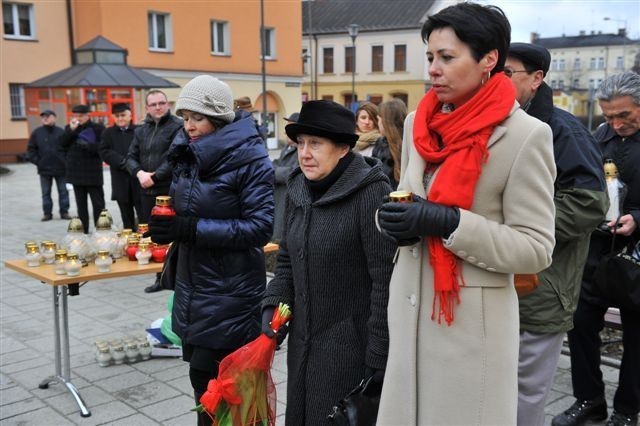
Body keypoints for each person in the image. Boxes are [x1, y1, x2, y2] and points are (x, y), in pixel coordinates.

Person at [376, 3, 556, 425]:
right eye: (430, 57)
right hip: (410, 317)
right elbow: (406, 196)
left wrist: (451, 223)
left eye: (447, 57)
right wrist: (392, 223)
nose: (433, 69)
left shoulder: (527, 135)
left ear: (488, 59)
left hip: (470, 337)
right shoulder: (421, 121)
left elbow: (536, 248)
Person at [146, 75, 274, 426]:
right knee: (203, 388)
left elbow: (260, 228)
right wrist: (166, 225)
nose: (189, 126)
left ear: (218, 118)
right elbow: (189, 208)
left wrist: (190, 228)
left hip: (229, 294)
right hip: (195, 289)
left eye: (197, 118)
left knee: (222, 393)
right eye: (185, 117)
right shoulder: (189, 152)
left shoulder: (249, 159)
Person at [261, 100, 396, 425]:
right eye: (301, 143)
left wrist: (378, 355)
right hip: (303, 347)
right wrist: (272, 313)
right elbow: (288, 265)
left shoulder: (370, 192)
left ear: (342, 148)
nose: (305, 152)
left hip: (350, 352)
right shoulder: (297, 188)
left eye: (315, 144)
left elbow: (386, 280)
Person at [504, 42, 608, 426]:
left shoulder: (562, 130)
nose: (496, 81)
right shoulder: (502, 121)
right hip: (501, 276)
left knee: (525, 392)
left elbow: (590, 204)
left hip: (543, 284)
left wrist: (516, 229)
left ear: (536, 79)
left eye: (507, 73)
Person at [553, 71, 640, 426]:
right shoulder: (596, 137)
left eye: (625, 116)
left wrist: (638, 218)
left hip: (636, 253)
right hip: (597, 248)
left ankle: (626, 410)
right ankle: (589, 399)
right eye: (608, 116)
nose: (616, 123)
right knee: (580, 323)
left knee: (636, 336)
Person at [126, 89, 182, 292]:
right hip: (145, 189)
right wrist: (139, 173)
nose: (158, 107)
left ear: (168, 104)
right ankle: (159, 277)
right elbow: (130, 157)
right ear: (147, 108)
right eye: (154, 104)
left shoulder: (177, 126)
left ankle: (173, 276)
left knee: (171, 233)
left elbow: (174, 157)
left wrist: (155, 176)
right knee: (152, 233)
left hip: (167, 188)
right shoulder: (141, 130)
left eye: (162, 103)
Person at [59, 105, 106, 233]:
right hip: (76, 174)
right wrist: (71, 131)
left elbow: (104, 148)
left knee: (98, 205)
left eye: (80, 116)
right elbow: (62, 144)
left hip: (93, 174)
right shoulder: (70, 128)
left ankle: (101, 230)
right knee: (81, 206)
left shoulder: (98, 128)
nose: (77, 118)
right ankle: (84, 232)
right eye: (75, 116)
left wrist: (89, 146)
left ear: (87, 115)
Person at [99, 103, 142, 230]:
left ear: (130, 115)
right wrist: (123, 162)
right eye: (117, 116)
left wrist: (134, 165)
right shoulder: (108, 133)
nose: (120, 118)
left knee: (143, 215)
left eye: (123, 115)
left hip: (138, 179)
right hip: (120, 180)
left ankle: (145, 243)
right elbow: (104, 152)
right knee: (126, 216)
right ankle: (130, 243)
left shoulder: (139, 131)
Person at [27, 110, 70, 221]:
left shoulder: (61, 132)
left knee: (63, 192)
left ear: (54, 118)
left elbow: (68, 149)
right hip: (44, 169)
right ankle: (47, 214)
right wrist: (39, 162)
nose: (45, 118)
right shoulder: (37, 132)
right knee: (46, 193)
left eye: (48, 116)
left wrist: (65, 161)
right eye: (43, 117)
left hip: (61, 169)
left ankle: (64, 212)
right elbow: (31, 150)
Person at [271, 112, 299, 241]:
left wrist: (274, 172)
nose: (287, 131)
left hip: (289, 197)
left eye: (291, 128)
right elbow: (274, 164)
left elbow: (293, 172)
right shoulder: (287, 148)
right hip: (280, 196)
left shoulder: (301, 149)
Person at [372, 99, 407, 190]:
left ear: (386, 122)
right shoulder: (380, 143)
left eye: (379, 119)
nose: (378, 123)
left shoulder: (406, 145)